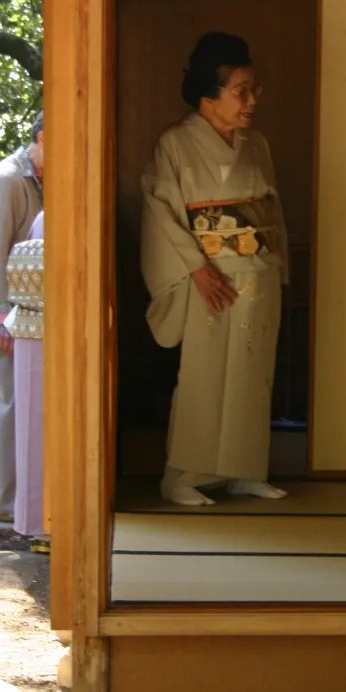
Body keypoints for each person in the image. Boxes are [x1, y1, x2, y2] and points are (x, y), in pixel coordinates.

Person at [141, 32, 289, 507]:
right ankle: (182, 476)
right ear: (209, 97)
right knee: (205, 374)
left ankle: (244, 471)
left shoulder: (257, 143)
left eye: (253, 89)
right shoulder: (176, 143)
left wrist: (279, 264)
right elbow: (161, 211)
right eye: (240, 91)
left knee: (253, 372)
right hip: (208, 276)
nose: (251, 100)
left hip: (258, 271)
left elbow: (272, 210)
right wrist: (196, 269)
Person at [0, 113, 44, 528]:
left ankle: (22, 503)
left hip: (30, 317)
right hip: (10, 318)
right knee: (13, 407)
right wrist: (2, 320)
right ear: (42, 136)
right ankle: (3, 508)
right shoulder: (8, 180)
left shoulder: (37, 178)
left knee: (24, 406)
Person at [5, 209, 46, 542]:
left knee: (35, 423)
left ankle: (34, 519)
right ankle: (36, 519)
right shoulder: (48, 219)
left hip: (33, 324)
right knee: (35, 423)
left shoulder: (45, 217)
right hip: (40, 323)